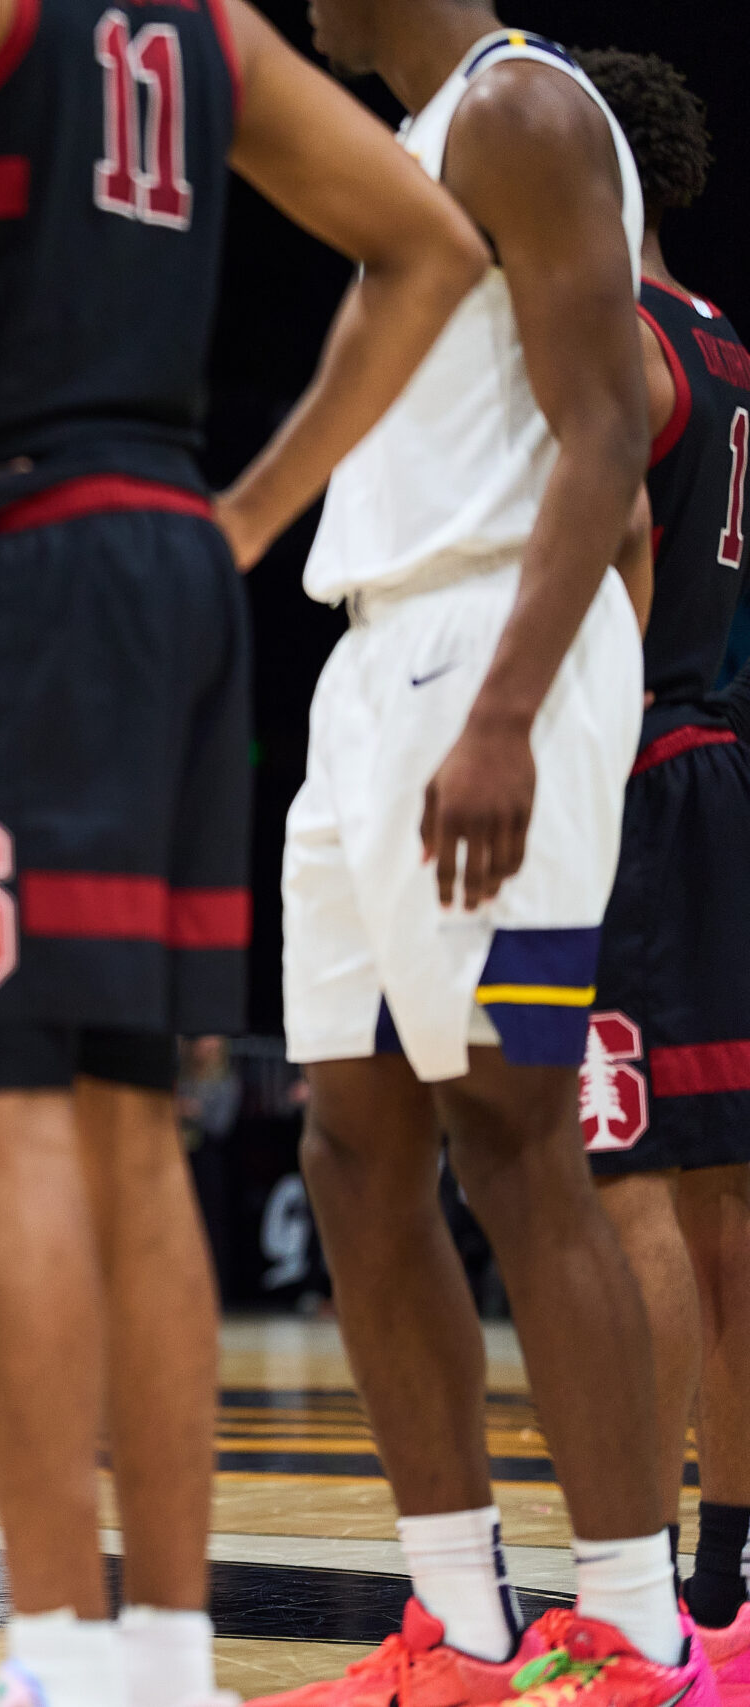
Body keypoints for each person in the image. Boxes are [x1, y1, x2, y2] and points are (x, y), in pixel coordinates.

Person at [0, 0, 486, 1692]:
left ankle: (60, 1649)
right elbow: (431, 246)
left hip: (13, 558)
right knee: (127, 1117)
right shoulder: (211, 21)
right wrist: (251, 514)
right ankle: (166, 1656)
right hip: (171, 562)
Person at [251, 7, 698, 1701]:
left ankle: (637, 1629)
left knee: (513, 1131)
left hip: (494, 646)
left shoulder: (522, 108)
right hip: (371, 659)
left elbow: (610, 434)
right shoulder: (408, 144)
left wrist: (511, 712)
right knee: (351, 1145)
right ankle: (461, 1618)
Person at [570, 42, 750, 1674]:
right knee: (722, 1205)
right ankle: (727, 1568)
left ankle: (641, 1578)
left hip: (629, 765)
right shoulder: (724, 337)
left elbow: (609, 552)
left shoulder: (613, 331)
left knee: (623, 1184)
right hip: (714, 763)